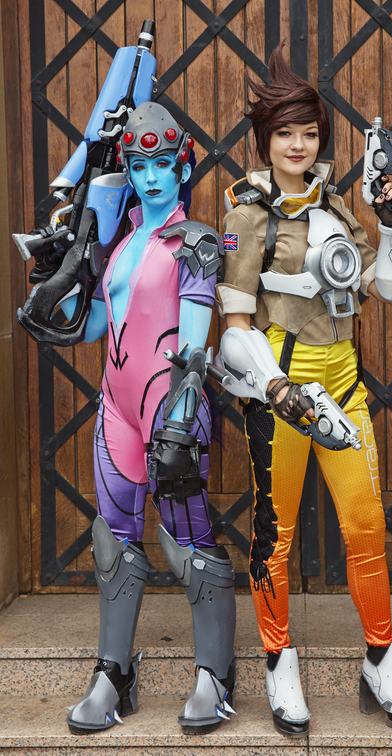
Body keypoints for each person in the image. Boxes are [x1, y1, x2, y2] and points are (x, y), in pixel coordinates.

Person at [215, 42, 392, 737]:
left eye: (308, 132)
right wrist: (276, 388)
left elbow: (385, 287)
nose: (298, 145)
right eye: (285, 132)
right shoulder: (248, 214)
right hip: (282, 390)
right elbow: (235, 326)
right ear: (265, 139)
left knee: (364, 526)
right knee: (274, 536)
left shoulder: (338, 202)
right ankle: (279, 662)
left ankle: (381, 661)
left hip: (345, 383)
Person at [60, 101, 236, 734]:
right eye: (140, 166)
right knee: (113, 537)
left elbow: (194, 347)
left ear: (182, 167)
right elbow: (96, 328)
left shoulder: (198, 242)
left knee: (188, 537)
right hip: (116, 406)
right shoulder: (122, 244)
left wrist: (182, 419)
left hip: (169, 404)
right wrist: (61, 281)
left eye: (163, 164)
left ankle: (215, 675)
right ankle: (114, 673)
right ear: (129, 173)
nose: (152, 176)